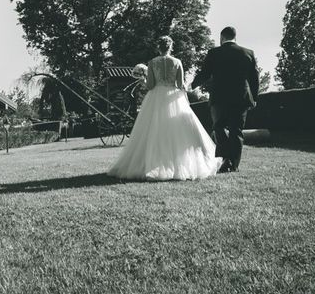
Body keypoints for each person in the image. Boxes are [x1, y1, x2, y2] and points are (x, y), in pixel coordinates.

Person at [107, 36, 222, 181]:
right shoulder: (177, 62)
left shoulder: (153, 62)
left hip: (156, 97)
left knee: (153, 129)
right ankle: (178, 164)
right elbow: (180, 84)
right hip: (174, 97)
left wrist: (143, 80)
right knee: (178, 130)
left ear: (158, 47)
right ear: (170, 47)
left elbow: (150, 86)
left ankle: (152, 164)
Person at [191, 26, 259, 173]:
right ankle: (233, 164)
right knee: (237, 131)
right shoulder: (248, 53)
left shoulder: (214, 53)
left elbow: (205, 73)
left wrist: (192, 85)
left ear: (221, 38)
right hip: (241, 98)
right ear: (235, 37)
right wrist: (254, 97)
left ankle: (223, 158)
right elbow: (254, 78)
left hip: (219, 98)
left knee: (218, 127)